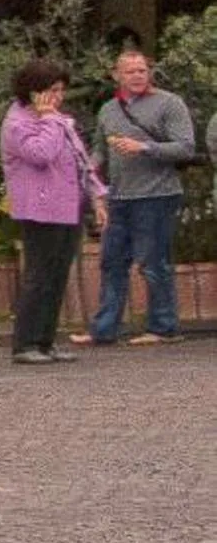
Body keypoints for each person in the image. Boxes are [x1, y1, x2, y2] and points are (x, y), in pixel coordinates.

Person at [79, 47, 194, 347]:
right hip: (120, 196)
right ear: (116, 75)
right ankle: (104, 330)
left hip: (157, 195)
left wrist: (144, 147)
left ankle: (163, 327)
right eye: (130, 71)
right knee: (112, 262)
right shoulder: (108, 110)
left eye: (142, 70)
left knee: (154, 263)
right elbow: (100, 149)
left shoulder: (169, 104)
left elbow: (185, 147)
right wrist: (90, 167)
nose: (138, 76)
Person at [1, 56, 102, 367]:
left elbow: (82, 160)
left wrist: (98, 195)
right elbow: (40, 155)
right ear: (33, 92)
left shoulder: (60, 121)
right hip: (39, 208)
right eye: (52, 90)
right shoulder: (17, 124)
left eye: (61, 90)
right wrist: (48, 121)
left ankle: (46, 340)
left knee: (58, 275)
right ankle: (25, 342)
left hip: (67, 206)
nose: (58, 97)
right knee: (39, 275)